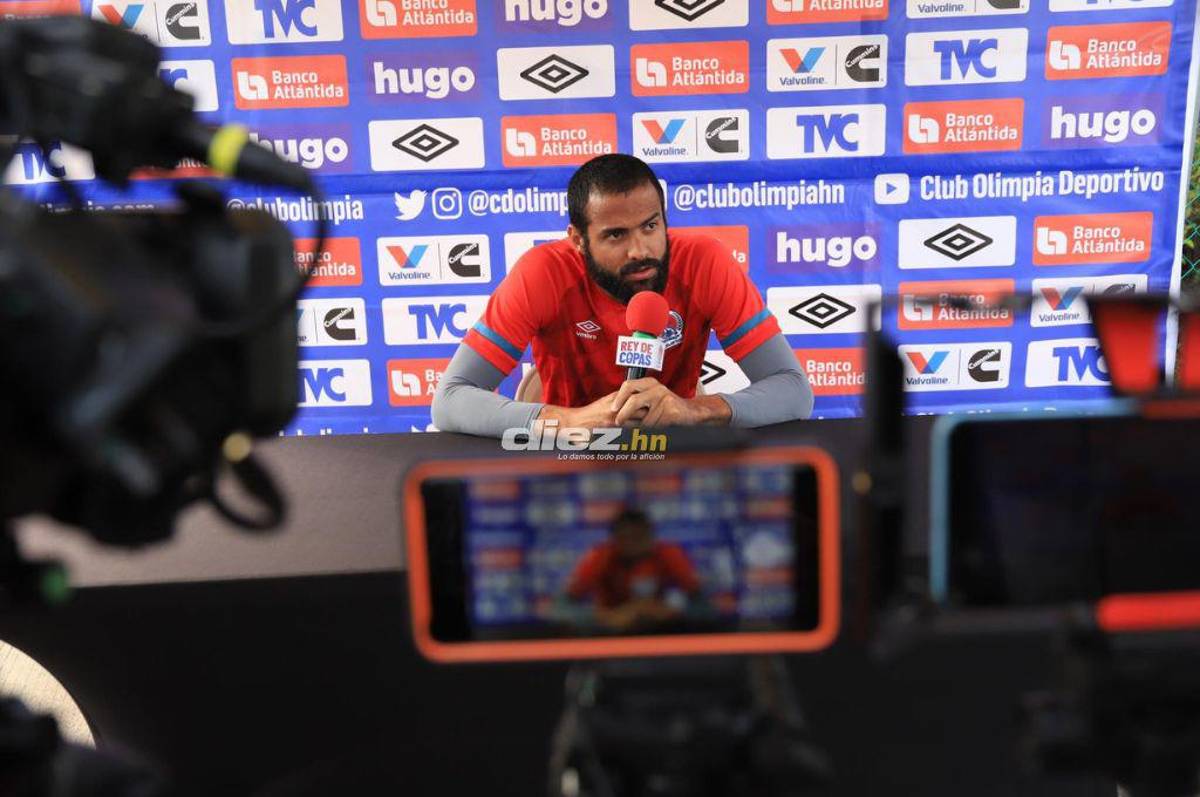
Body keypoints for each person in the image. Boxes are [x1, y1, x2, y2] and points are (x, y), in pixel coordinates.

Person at [431, 153, 813, 437]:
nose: (640, 250)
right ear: (578, 240)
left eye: (650, 226)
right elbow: (449, 400)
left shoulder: (705, 262)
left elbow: (793, 390)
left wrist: (694, 410)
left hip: (667, 443)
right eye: (616, 234)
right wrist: (564, 419)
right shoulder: (542, 272)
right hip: (572, 446)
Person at [563, 508, 701, 633]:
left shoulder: (668, 553)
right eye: (625, 538)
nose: (632, 544)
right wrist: (607, 617)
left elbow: (703, 605)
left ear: (651, 536)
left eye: (638, 537)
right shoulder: (601, 555)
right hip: (609, 629)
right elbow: (562, 609)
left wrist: (670, 611)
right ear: (614, 539)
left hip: (660, 628)